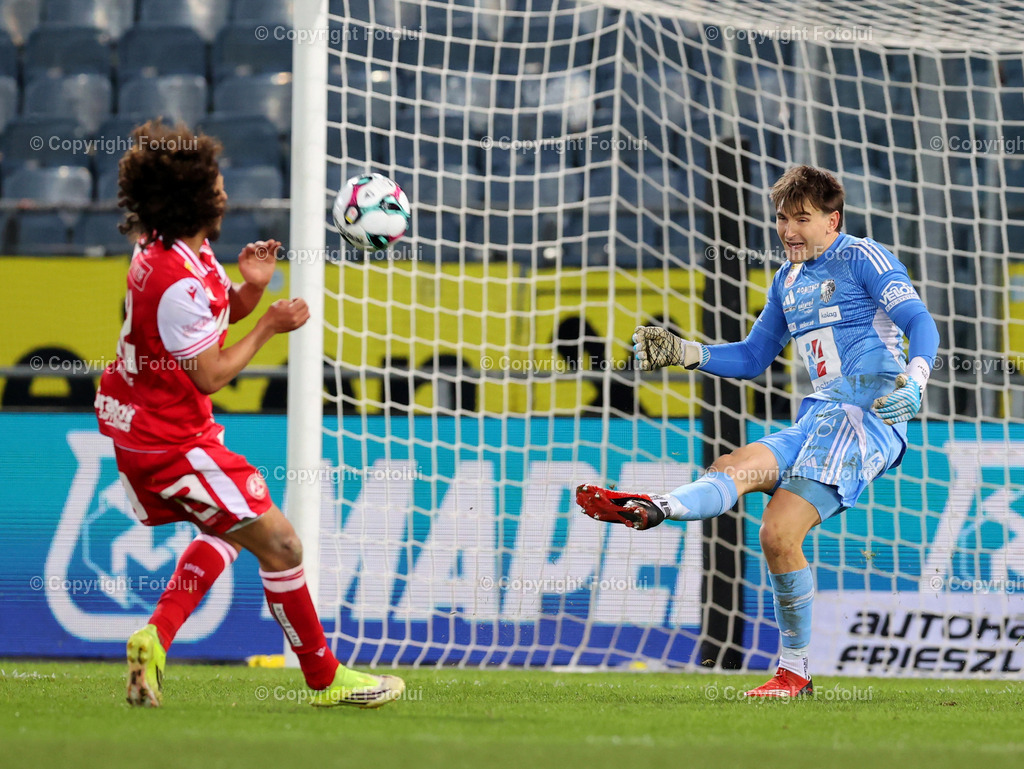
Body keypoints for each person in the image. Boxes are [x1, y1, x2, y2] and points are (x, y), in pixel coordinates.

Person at [576, 165, 940, 697]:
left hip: (868, 416)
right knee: (734, 467)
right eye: (781, 219)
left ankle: (794, 672)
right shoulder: (787, 280)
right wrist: (686, 352)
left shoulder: (863, 257)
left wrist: (917, 379)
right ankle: (655, 508)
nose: (788, 230)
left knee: (778, 530)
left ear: (833, 220)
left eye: (802, 218)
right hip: (818, 416)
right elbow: (752, 356)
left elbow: (920, 322)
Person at [95, 119, 403, 708]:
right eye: (216, 185)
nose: (225, 194)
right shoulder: (174, 279)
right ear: (193, 199)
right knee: (282, 546)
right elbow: (209, 373)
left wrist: (252, 289)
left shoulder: (174, 250)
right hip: (169, 443)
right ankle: (325, 679)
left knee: (233, 533)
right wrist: (269, 326)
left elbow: (207, 321)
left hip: (152, 429)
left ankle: (154, 639)